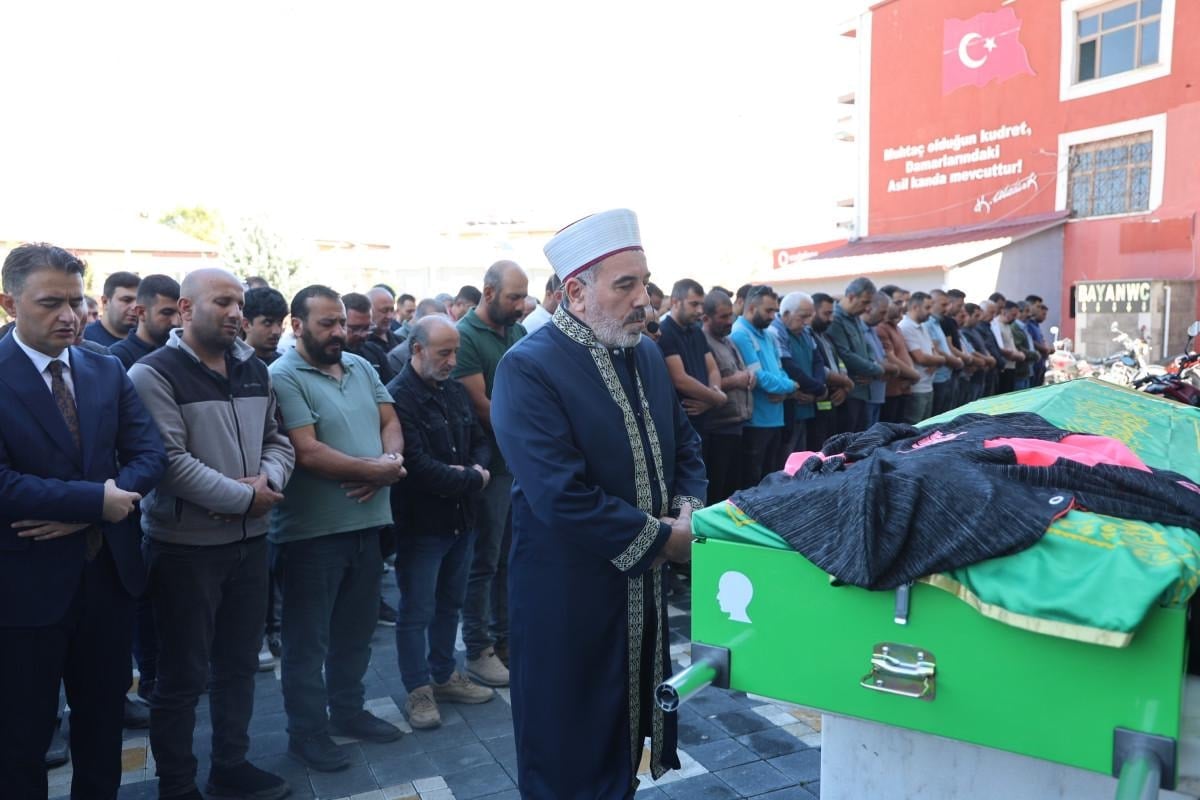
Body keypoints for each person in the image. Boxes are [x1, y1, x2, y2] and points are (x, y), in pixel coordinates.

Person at [491, 208, 704, 797]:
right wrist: (665, 541)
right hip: (568, 596)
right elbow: (560, 495)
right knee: (568, 743)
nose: (644, 300)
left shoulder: (645, 355)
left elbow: (687, 444)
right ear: (576, 293)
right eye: (625, 285)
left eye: (646, 283)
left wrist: (688, 513)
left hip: (642, 591)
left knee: (627, 736)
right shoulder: (527, 368)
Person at [0, 243, 166, 799]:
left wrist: (93, 508)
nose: (70, 316)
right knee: (21, 738)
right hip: (24, 591)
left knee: (102, 727)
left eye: (76, 301)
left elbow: (150, 454)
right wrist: (95, 502)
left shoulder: (105, 367)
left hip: (107, 581)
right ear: (9, 303)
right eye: (51, 303)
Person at [129, 268, 295, 800]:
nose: (235, 313)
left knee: (239, 666)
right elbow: (169, 463)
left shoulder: (253, 368)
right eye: (222, 302)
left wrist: (267, 482)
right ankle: (177, 784)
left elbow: (278, 440)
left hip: (250, 544)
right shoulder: (153, 373)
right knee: (181, 677)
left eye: (239, 303)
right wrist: (243, 497)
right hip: (185, 551)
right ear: (184, 309)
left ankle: (231, 765)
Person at [269, 285, 407, 771]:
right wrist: (375, 471)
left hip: (367, 526)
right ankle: (306, 733)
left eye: (341, 322)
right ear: (297, 325)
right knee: (308, 643)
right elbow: (306, 451)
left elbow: (391, 421)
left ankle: (348, 711)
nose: (338, 332)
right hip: (311, 534)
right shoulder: (283, 375)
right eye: (327, 323)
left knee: (356, 632)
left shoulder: (361, 366)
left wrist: (388, 463)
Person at [387, 316, 496, 730]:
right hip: (422, 524)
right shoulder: (398, 396)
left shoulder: (454, 391)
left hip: (461, 519)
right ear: (417, 349)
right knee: (417, 609)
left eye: (455, 352)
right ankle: (418, 688)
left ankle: (444, 674)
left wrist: (472, 472)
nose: (452, 361)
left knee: (450, 602)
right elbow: (416, 466)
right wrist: (473, 478)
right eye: (444, 353)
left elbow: (481, 441)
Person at [454, 260, 528, 685]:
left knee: (509, 558)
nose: (520, 305)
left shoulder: (515, 331)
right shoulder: (465, 336)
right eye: (513, 297)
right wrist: (532, 428)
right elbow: (483, 406)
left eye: (523, 297)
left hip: (517, 463)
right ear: (488, 293)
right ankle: (478, 646)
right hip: (491, 467)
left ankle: (505, 639)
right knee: (484, 561)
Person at [730, 285, 797, 486]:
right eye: (768, 311)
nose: (773, 316)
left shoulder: (769, 335)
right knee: (754, 480)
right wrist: (791, 386)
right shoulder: (740, 333)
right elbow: (758, 377)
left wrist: (787, 388)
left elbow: (780, 370)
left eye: (775, 311)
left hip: (776, 417)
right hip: (756, 421)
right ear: (751, 308)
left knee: (773, 476)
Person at [657, 279, 725, 448]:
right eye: (694, 304)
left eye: (701, 305)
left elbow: (712, 369)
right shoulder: (665, 332)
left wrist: (713, 397)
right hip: (684, 422)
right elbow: (680, 379)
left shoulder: (696, 331)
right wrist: (716, 398)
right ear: (675, 302)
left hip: (706, 417)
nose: (700, 311)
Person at [701, 290, 754, 504]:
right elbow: (706, 385)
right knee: (718, 489)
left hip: (737, 424)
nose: (729, 321)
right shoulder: (703, 343)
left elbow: (740, 370)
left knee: (733, 486)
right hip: (718, 427)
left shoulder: (727, 340)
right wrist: (736, 380)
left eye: (730, 315)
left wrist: (749, 376)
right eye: (723, 317)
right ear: (706, 318)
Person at [770, 292, 827, 463]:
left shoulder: (806, 332)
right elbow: (788, 366)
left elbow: (818, 361)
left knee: (803, 456)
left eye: (810, 316)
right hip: (789, 404)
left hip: (808, 403)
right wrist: (818, 388)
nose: (807, 321)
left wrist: (818, 388)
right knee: (787, 458)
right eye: (803, 316)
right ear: (786, 313)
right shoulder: (776, 331)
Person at [826, 277, 884, 435]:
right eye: (865, 302)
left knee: (861, 437)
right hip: (849, 392)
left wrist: (873, 369)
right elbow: (845, 354)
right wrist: (877, 370)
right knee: (849, 438)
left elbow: (867, 347)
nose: (867, 308)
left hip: (863, 389)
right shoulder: (835, 319)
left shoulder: (856, 318)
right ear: (851, 297)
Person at [807, 293, 853, 449]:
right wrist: (846, 382)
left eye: (832, 313)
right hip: (820, 402)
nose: (831, 319)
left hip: (836, 400)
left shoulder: (826, 337)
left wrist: (844, 387)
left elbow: (840, 363)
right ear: (813, 312)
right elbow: (819, 369)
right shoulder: (808, 336)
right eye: (826, 314)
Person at [110, 274, 181, 369]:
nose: (176, 322)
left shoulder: (181, 352)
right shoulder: (117, 358)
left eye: (180, 313)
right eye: (167, 313)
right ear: (141, 312)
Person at [898, 292, 945, 423]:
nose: (930, 312)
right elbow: (921, 358)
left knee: (926, 426)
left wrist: (936, 361)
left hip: (928, 385)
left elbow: (933, 350)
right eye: (927, 307)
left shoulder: (922, 325)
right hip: (916, 388)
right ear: (915, 307)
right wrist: (941, 360)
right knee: (915, 427)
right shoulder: (906, 326)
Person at [877, 295, 920, 423]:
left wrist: (912, 376)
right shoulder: (881, 328)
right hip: (892, 389)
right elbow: (891, 358)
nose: (901, 315)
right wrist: (915, 375)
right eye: (895, 305)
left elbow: (904, 353)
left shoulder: (897, 328)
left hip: (904, 387)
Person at [343, 291, 396, 386]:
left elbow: (390, 388)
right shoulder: (330, 357)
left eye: (367, 328)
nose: (363, 334)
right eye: (355, 328)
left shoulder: (375, 353)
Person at [84, 270, 140, 346]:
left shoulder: (147, 342)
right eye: (127, 300)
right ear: (105, 302)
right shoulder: (82, 341)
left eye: (139, 301)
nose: (135, 307)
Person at [241, 287, 288, 365]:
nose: (276, 331)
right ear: (246, 325)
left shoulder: (284, 365)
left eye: (279, 323)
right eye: (268, 323)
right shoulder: (232, 365)